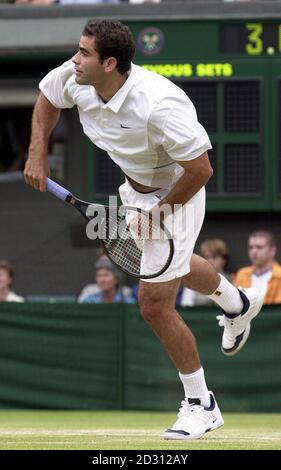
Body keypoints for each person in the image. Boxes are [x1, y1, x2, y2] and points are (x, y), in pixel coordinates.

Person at [24, 19, 263, 440]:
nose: (74, 61)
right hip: (134, 189)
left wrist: (158, 213)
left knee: (153, 302)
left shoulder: (159, 105)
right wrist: (37, 153)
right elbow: (47, 98)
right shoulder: (77, 75)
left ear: (111, 63)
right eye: (77, 51)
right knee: (177, 267)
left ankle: (201, 404)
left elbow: (201, 169)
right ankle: (238, 302)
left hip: (179, 193)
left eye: (84, 54)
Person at [233, 230, 281, 304]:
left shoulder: (279, 275)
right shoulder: (241, 274)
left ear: (272, 250)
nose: (254, 251)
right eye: (251, 247)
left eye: (259, 247)